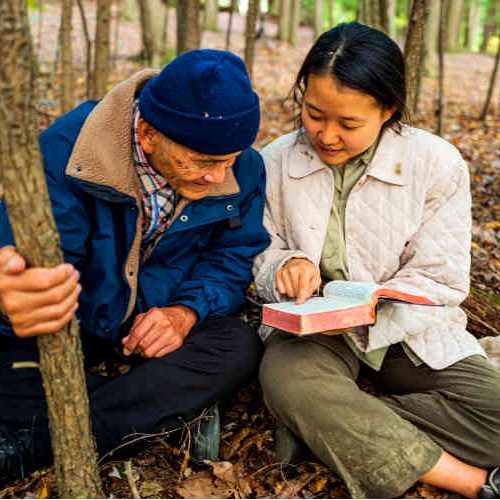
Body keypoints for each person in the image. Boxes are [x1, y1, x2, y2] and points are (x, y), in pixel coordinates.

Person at [0, 49, 270, 486]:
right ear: (146, 134)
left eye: (230, 160)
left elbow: (231, 257)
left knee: (236, 345)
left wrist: (183, 314)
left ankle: (35, 441)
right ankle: (140, 415)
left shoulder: (245, 168)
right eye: (203, 162)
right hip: (67, 332)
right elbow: (28, 274)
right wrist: (15, 299)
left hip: (152, 335)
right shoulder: (69, 153)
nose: (220, 178)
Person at [253, 22, 500, 499]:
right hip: (313, 334)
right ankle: (473, 482)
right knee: (288, 381)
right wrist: (284, 266)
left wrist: (375, 300)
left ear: (388, 110)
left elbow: (443, 276)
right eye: (313, 114)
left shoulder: (437, 163)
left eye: (348, 124)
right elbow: (261, 247)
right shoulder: (275, 161)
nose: (326, 135)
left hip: (408, 331)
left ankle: (333, 426)